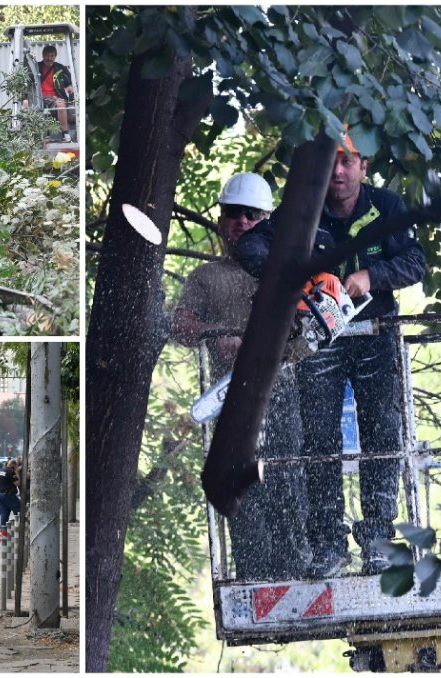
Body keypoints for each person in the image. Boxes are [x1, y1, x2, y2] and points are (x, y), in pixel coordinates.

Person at [236, 132, 426, 577]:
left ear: (363, 166)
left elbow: (416, 262)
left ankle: (378, 539)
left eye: (347, 162)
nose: (338, 172)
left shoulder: (388, 208)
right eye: (330, 163)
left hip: (375, 333)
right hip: (320, 340)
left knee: (382, 432)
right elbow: (249, 246)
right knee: (320, 439)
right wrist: (300, 278)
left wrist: (372, 275)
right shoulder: (302, 210)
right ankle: (329, 544)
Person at [171, 172, 311, 581]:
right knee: (240, 484)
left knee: (285, 476)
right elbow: (181, 325)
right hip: (228, 397)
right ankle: (253, 571)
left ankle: (295, 567)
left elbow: (309, 329)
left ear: (266, 219)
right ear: (221, 219)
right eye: (234, 214)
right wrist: (216, 337)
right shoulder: (206, 278)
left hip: (282, 389)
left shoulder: (286, 272)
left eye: (251, 215)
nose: (242, 222)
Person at [38, 45, 74, 143]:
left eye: (52, 56)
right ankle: (29, 135)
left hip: (54, 97)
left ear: (55, 56)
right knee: (25, 103)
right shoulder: (36, 67)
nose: (49, 58)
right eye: (47, 56)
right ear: (43, 56)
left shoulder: (61, 68)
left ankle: (65, 134)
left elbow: (69, 84)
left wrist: (70, 88)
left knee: (61, 105)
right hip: (38, 97)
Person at [0, 458, 21, 530]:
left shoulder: (0, 471)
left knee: (4, 515)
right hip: (9, 495)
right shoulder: (11, 472)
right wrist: (17, 472)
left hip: (0, 495)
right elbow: (17, 483)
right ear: (13, 465)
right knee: (19, 512)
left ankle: (2, 533)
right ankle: (20, 529)